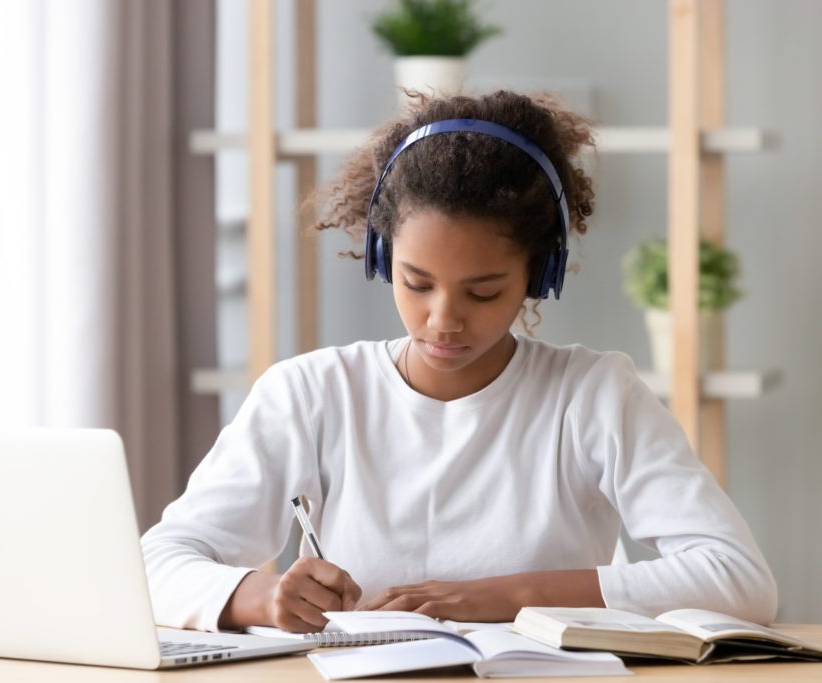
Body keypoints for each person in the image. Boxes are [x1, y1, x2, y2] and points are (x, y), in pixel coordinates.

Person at [140, 90, 778, 634]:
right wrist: (261, 597)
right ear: (383, 260)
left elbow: (739, 579)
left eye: (483, 292)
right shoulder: (310, 392)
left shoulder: (593, 394)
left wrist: (505, 597)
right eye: (417, 284)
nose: (443, 319)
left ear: (540, 274)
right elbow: (156, 563)